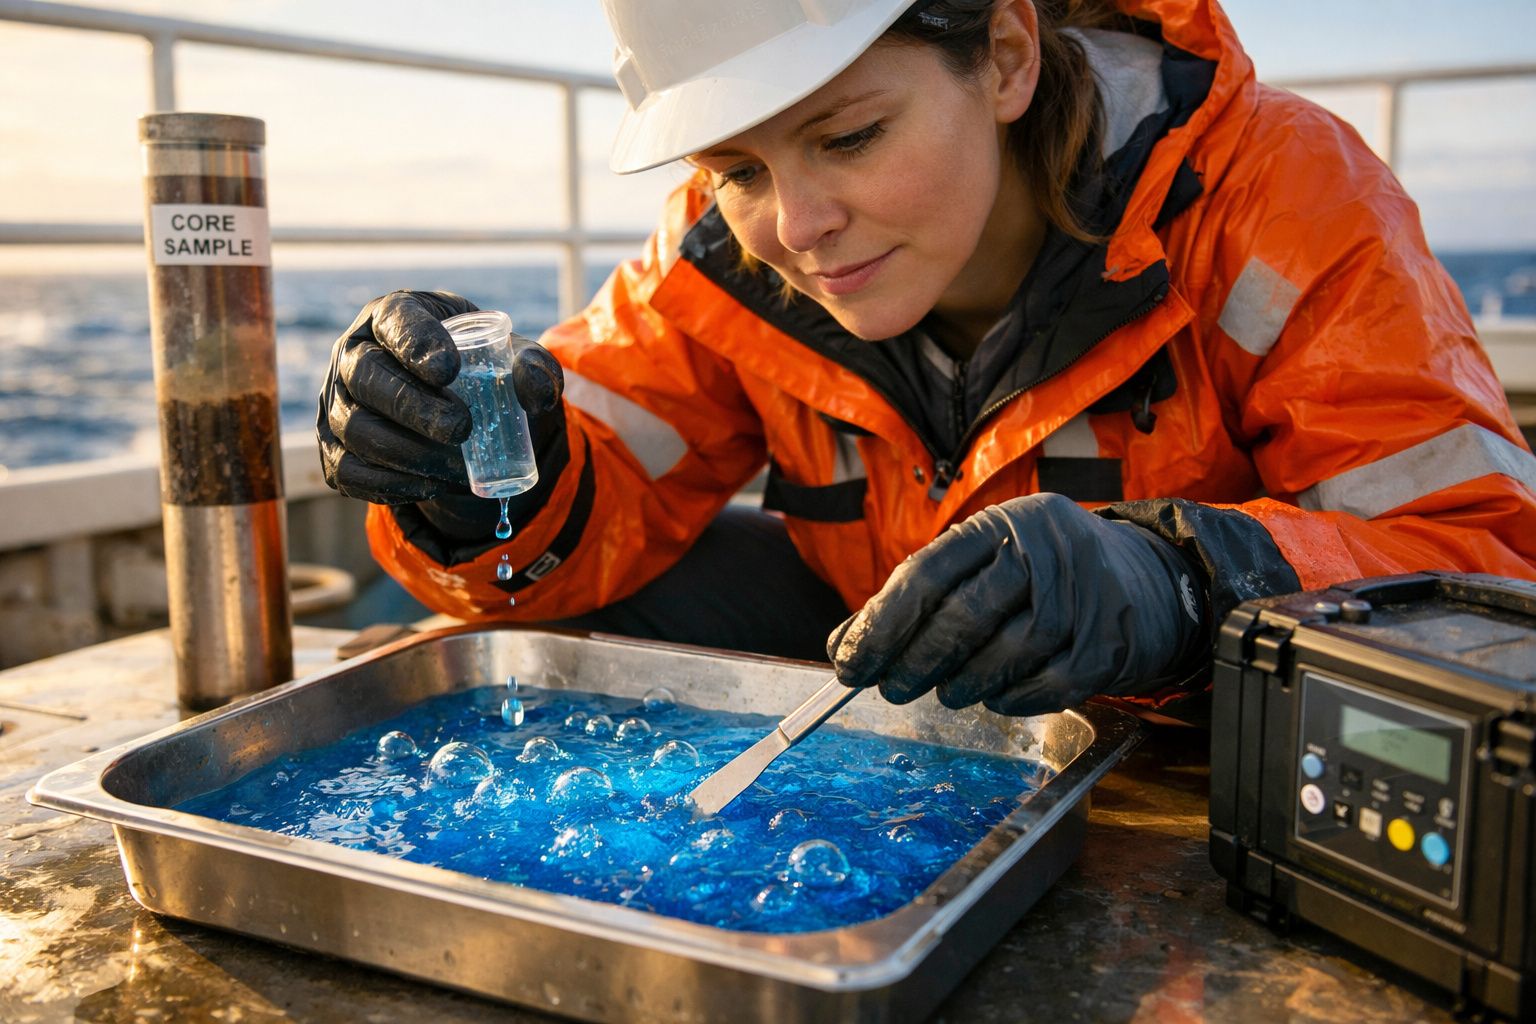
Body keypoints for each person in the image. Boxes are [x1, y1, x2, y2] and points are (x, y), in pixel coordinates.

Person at [318, 0, 1536, 719]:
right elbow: (589, 505)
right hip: (908, 708)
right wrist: (473, 488)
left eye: (849, 135)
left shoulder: (1281, 197)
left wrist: (1176, 581)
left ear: (1007, 55)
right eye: (737, 169)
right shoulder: (716, 258)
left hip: (1200, 752)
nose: (793, 226)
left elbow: (1490, 582)